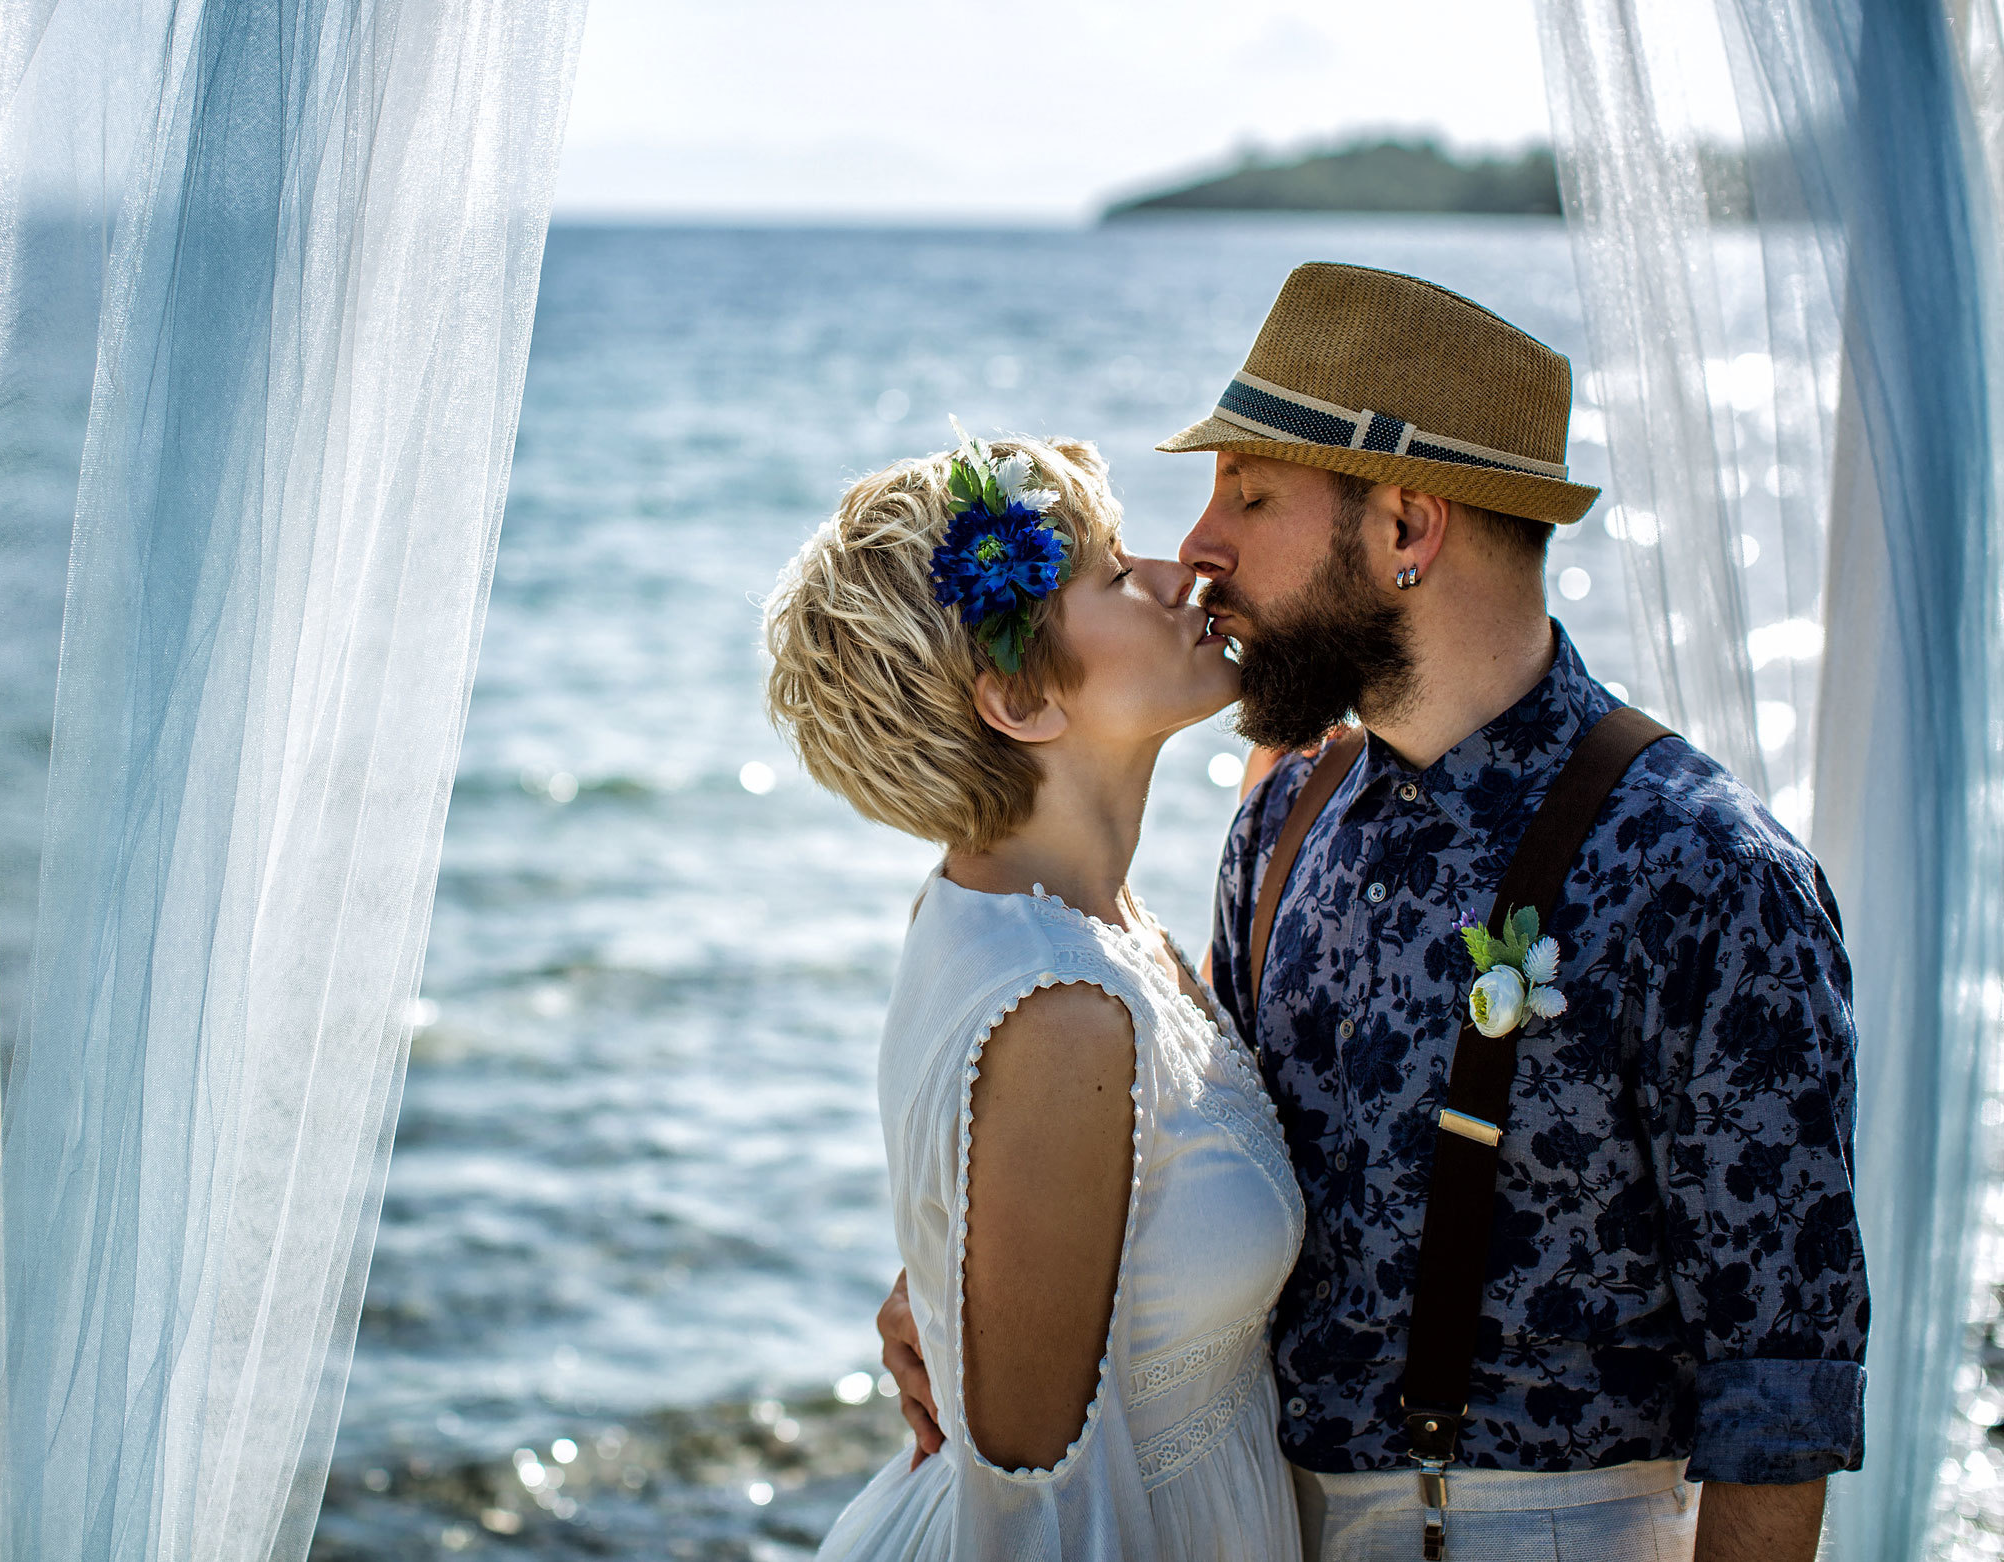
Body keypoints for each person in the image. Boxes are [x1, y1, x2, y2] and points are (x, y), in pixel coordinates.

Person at [877, 264, 1868, 1561]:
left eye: (1248, 493)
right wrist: (965, 1287)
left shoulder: (1701, 869)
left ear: (1405, 524)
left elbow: (1779, 1382)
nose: (1197, 550)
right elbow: (1190, 1152)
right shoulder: (1283, 810)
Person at [764, 431, 1304, 1559]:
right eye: (1113, 576)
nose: (1177, 574)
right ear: (1018, 697)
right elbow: (1039, 1520)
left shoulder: (1043, 915)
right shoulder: (1064, 1008)